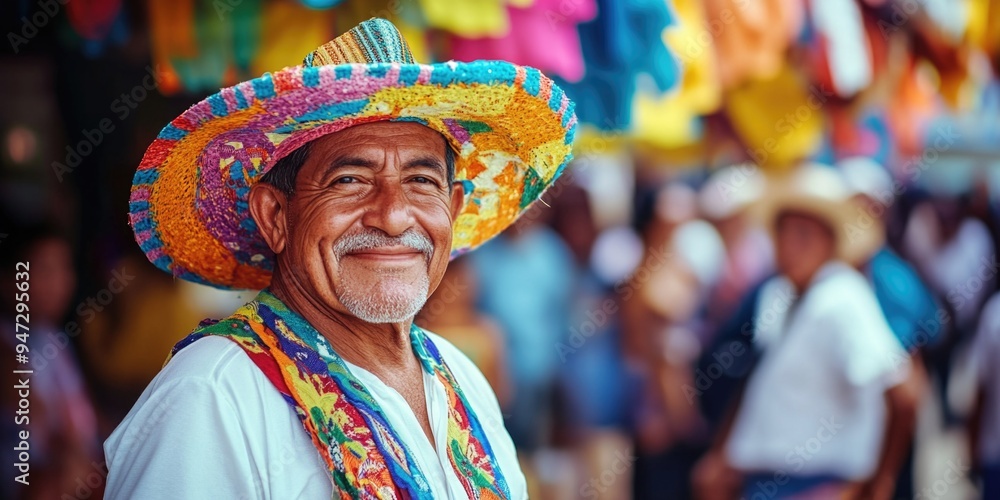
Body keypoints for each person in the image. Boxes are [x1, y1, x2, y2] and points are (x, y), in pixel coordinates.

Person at [104, 18, 576, 499]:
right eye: (349, 180)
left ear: (452, 211)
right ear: (276, 216)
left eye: (421, 181)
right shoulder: (211, 395)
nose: (393, 217)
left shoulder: (461, 379)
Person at [692, 165, 918, 500]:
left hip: (817, 483)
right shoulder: (780, 295)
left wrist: (878, 484)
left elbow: (905, 394)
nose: (791, 245)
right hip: (768, 481)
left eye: (804, 235)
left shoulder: (842, 297)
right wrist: (724, 455)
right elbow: (760, 383)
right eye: (784, 233)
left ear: (831, 243)